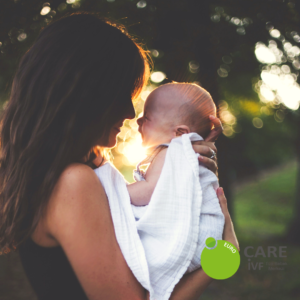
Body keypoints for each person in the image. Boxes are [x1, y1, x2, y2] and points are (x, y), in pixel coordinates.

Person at [0, 11, 239, 300]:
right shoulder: (73, 182)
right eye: (123, 93)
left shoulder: (44, 175)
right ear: (87, 94)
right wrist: (223, 260)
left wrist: (177, 159)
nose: (130, 112)